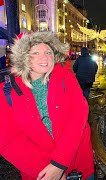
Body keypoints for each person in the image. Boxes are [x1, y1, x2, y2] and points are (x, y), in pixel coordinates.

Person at [0, 32, 94, 179]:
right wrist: (49, 173)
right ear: (23, 57)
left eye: (48, 52)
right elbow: (8, 140)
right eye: (35, 53)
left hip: (78, 167)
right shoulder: (7, 90)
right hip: (38, 174)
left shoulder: (66, 78)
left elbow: (77, 120)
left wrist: (59, 164)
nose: (44, 58)